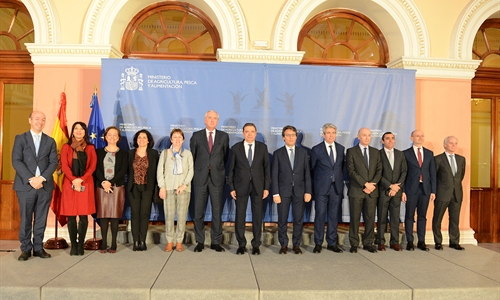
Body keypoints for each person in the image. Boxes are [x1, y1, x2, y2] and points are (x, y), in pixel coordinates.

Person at [12, 111, 58, 261]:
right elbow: (16, 161)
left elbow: (53, 163)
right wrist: (31, 179)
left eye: (43, 119)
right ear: (30, 120)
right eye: (37, 119)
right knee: (25, 218)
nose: (40, 121)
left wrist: (42, 178)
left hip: (44, 186)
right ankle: (25, 249)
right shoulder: (20, 139)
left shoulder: (50, 141)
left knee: (40, 218)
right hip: (26, 185)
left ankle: (38, 247)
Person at [190, 110, 229, 252]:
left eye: (215, 118)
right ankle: (199, 241)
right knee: (198, 211)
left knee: (217, 212)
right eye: (210, 118)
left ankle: (215, 242)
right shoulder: (196, 136)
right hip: (200, 179)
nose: (212, 120)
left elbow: (225, 157)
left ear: (217, 121)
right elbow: (192, 158)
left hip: (217, 179)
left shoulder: (224, 136)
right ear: (205, 120)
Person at [229, 123, 270, 255]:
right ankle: (241, 244)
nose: (250, 134)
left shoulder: (263, 148)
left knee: (257, 216)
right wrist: (231, 187)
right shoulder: (236, 148)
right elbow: (231, 170)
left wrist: (266, 187)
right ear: (243, 133)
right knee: (240, 216)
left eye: (252, 131)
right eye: (247, 131)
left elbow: (266, 170)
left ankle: (256, 244)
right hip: (240, 186)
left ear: (256, 132)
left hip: (258, 187)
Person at [272, 125, 312, 254]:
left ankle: (296, 244)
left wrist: (308, 191)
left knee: (298, 219)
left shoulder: (303, 153)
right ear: (283, 137)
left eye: (293, 135)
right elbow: (275, 175)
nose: (291, 137)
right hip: (283, 192)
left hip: (299, 192)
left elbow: (307, 174)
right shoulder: (278, 153)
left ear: (296, 137)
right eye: (288, 135)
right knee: (282, 219)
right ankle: (283, 244)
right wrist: (276, 193)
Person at [60, 122, 97, 256]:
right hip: (69, 184)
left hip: (85, 184)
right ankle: (73, 245)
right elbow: (64, 166)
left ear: (85, 132)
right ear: (72, 131)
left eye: (81, 129)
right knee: (71, 217)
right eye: (76, 129)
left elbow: (92, 166)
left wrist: (81, 179)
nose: (79, 131)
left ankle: (80, 244)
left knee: (83, 216)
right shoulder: (66, 147)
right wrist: (73, 179)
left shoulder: (90, 148)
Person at [310, 123, 345, 253]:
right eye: (328, 133)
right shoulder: (316, 149)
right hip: (321, 188)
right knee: (319, 215)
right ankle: (318, 243)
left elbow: (340, 168)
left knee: (333, 216)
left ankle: (332, 242)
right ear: (323, 134)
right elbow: (312, 169)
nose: (331, 135)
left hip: (336, 188)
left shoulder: (341, 149)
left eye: (333, 133)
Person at [346, 127, 382, 253]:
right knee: (355, 218)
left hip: (372, 191)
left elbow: (379, 171)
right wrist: (365, 184)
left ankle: (368, 243)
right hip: (356, 190)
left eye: (369, 135)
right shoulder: (351, 151)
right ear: (358, 136)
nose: (367, 138)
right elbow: (351, 171)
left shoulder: (376, 152)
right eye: (364, 135)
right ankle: (354, 243)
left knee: (370, 218)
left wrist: (371, 185)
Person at [158, 129, 194, 252]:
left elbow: (191, 171)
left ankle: (179, 241)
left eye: (180, 137)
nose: (177, 140)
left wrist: (184, 185)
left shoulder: (188, 154)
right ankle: (169, 241)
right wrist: (162, 187)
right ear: (171, 139)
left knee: (182, 216)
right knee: (168, 216)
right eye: (175, 137)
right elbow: (160, 171)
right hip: (168, 188)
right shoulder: (165, 153)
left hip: (184, 189)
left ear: (183, 140)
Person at [95, 126, 128, 253]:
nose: (112, 137)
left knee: (115, 215)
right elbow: (96, 169)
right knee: (103, 215)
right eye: (110, 134)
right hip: (102, 186)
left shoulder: (124, 153)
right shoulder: (98, 152)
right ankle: (104, 243)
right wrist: (104, 182)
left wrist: (111, 183)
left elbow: (123, 170)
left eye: (115, 135)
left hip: (117, 187)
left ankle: (113, 243)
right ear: (105, 137)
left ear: (118, 138)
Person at [402, 130, 436, 251]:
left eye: (422, 136)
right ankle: (410, 241)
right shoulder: (405, 153)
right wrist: (403, 191)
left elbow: (432, 173)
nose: (420, 138)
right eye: (417, 136)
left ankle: (421, 241)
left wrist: (433, 191)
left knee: (422, 216)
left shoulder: (429, 153)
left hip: (425, 189)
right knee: (409, 216)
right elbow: (403, 174)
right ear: (412, 138)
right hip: (411, 189)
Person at [127, 130, 159, 251]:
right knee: (135, 214)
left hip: (147, 188)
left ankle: (143, 240)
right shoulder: (130, 153)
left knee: (145, 214)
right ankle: (136, 241)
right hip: (133, 187)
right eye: (139, 137)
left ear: (148, 140)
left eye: (144, 137)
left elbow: (156, 171)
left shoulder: (154, 153)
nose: (141, 140)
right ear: (136, 140)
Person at [432, 136, 466, 251]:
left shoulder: (461, 159)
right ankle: (438, 242)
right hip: (442, 193)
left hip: (456, 193)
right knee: (438, 219)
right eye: (451, 143)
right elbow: (434, 177)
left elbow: (460, 177)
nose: (453, 145)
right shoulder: (437, 159)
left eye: (455, 143)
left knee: (455, 219)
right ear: (445, 145)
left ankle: (454, 242)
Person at [376, 132, 407, 251]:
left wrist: (396, 188)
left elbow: (404, 172)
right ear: (382, 141)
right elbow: (377, 173)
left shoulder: (400, 154)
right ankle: (380, 241)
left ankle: (395, 242)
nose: (390, 140)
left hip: (397, 192)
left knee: (395, 217)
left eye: (392, 138)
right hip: (384, 191)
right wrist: (390, 186)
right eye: (387, 139)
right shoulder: (378, 154)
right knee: (382, 217)